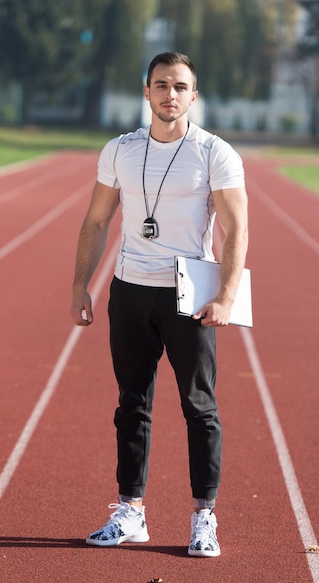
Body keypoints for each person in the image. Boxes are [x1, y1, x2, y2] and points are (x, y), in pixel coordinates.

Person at [70, 51, 248, 557]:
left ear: (194, 96)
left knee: (199, 407)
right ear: (146, 92)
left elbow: (236, 228)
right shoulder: (120, 150)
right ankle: (131, 512)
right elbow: (97, 220)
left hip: (188, 294)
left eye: (181, 86)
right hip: (128, 290)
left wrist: (227, 295)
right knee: (132, 404)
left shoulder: (215, 153)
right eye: (161, 85)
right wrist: (80, 283)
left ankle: (203, 518)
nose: (171, 94)